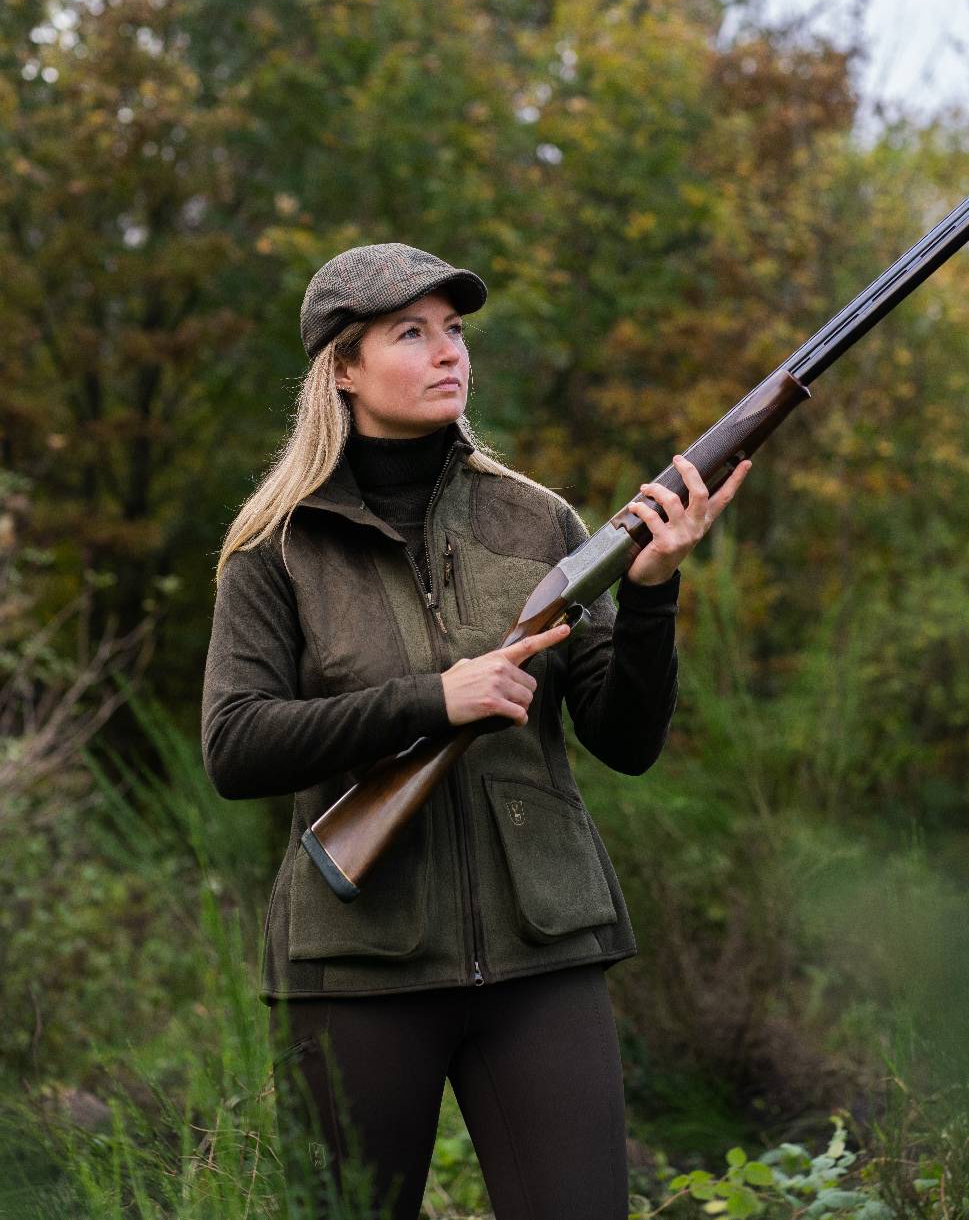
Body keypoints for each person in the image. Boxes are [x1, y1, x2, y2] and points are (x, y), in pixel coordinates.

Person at [201, 243, 750, 1220]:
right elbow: (235, 746)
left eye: (453, 329)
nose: (448, 351)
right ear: (342, 367)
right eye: (410, 333)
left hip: (543, 952)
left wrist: (652, 591)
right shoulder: (276, 547)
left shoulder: (539, 521)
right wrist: (432, 700)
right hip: (358, 963)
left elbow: (625, 742)